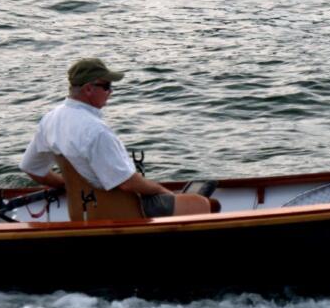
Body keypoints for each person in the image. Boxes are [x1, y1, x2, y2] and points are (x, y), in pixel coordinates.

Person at [20, 58, 216, 216]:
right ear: (88, 89)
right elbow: (127, 183)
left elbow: (31, 167)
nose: (111, 92)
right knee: (202, 203)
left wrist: (69, 186)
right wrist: (162, 191)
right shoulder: (96, 131)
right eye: (106, 86)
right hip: (123, 210)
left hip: (83, 211)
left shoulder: (49, 120)